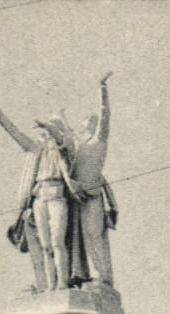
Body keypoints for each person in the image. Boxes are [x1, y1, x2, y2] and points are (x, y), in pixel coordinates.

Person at [0, 92, 81, 291]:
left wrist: (48, 127)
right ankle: (49, 285)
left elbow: (63, 140)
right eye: (41, 133)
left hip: (57, 196)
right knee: (45, 245)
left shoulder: (63, 149)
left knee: (57, 241)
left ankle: (62, 283)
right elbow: (14, 132)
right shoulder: (35, 150)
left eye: (45, 132)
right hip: (40, 198)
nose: (43, 136)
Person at [64, 72, 117, 286]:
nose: (87, 123)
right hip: (78, 197)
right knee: (82, 238)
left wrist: (102, 90)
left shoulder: (98, 141)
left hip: (93, 195)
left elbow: (106, 115)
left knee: (95, 234)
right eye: (85, 122)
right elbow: (67, 133)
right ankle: (86, 275)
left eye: (90, 121)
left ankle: (103, 277)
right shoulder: (80, 147)